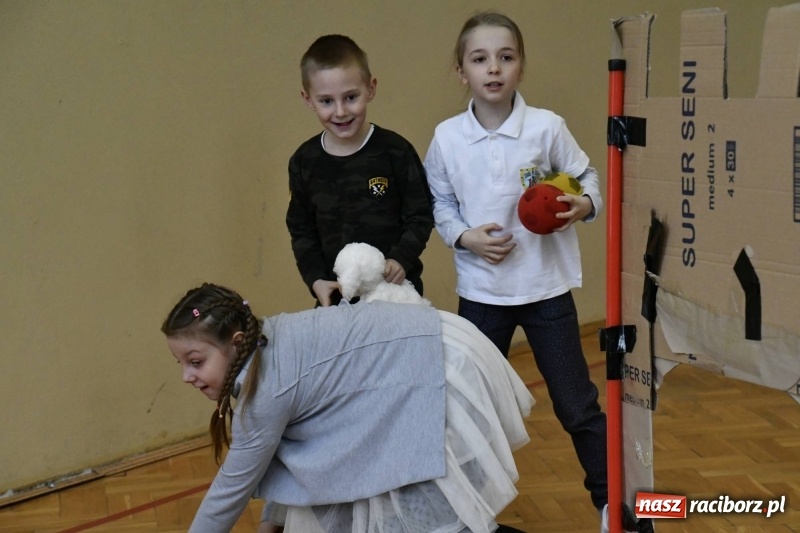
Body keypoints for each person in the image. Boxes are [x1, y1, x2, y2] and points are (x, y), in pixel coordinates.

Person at [423, 11, 610, 532]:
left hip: (546, 292)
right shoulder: (447, 138)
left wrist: (583, 203)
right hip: (482, 296)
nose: (494, 69)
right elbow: (438, 200)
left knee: (577, 405)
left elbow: (586, 175)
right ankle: (464, 516)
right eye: (480, 59)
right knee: (470, 415)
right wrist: (465, 236)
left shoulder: (547, 128)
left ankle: (613, 504)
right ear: (462, 71)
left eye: (506, 57)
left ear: (520, 66)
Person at [161, 282, 535, 532]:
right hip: (423, 348)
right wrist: (271, 524)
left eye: (196, 361)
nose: (187, 376)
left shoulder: (265, 394)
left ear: (236, 341)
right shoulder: (264, 341)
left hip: (436, 364)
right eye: (182, 364)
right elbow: (276, 459)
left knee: (427, 512)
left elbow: (231, 488)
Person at [286, 34, 434, 307]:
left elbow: (421, 214)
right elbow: (301, 230)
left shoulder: (396, 151)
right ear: (308, 99)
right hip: (338, 298)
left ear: (370, 88)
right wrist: (316, 279)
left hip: (397, 294)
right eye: (326, 101)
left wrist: (402, 257)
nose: (340, 111)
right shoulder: (304, 161)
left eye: (351, 97)